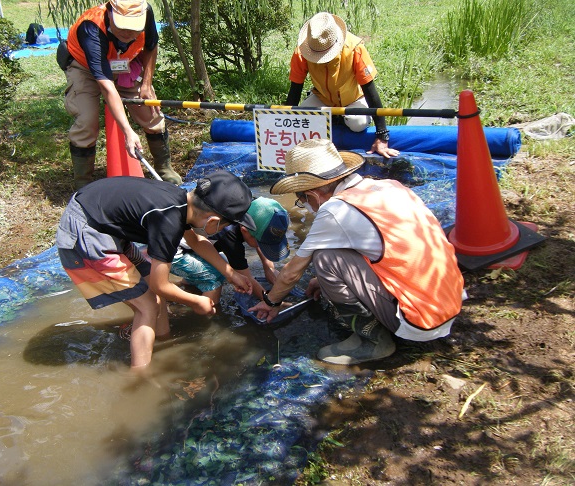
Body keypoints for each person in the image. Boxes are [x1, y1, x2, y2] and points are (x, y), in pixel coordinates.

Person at [250, 139, 464, 365]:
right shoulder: (391, 186)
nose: (305, 205)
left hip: (420, 320)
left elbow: (292, 273)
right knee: (331, 254)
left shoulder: (335, 210)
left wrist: (270, 302)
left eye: (302, 199)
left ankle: (373, 341)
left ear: (313, 195)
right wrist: (321, 281)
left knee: (325, 258)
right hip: (447, 302)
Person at [55, 171, 255, 369]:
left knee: (155, 299)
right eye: (224, 227)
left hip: (102, 220)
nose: (222, 232)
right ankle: (140, 376)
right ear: (213, 221)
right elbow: (160, 285)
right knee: (148, 305)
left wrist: (231, 274)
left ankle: (160, 339)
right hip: (86, 232)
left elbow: (197, 242)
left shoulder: (181, 202)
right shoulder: (168, 222)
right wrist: (196, 301)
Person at [63, 0, 182, 189]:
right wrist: (128, 132)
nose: (129, 34)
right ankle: (83, 184)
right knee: (87, 120)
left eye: (134, 28)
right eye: (123, 27)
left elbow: (151, 45)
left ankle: (164, 168)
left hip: (125, 63)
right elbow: (107, 87)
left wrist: (146, 83)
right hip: (85, 67)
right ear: (110, 14)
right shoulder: (91, 27)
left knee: (150, 113)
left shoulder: (146, 12)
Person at [286, 12, 400, 159]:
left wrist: (382, 135)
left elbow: (370, 90)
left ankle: (339, 118)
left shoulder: (354, 49)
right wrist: (287, 125)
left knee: (357, 124)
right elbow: (295, 90)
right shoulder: (301, 53)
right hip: (323, 97)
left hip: (353, 98)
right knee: (301, 120)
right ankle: (334, 117)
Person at [171, 197, 290, 304]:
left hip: (196, 243)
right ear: (244, 230)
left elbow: (258, 237)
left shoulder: (254, 208)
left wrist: (268, 268)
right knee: (214, 278)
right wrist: (271, 302)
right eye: (263, 243)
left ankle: (186, 285)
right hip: (174, 249)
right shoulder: (230, 236)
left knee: (219, 263)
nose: (263, 246)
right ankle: (207, 314)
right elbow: (247, 279)